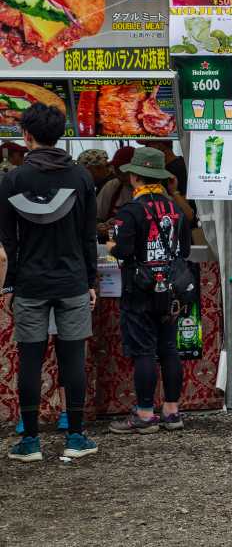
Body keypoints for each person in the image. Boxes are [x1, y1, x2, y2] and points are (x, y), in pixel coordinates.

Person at [0, 103, 99, 462]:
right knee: (72, 357)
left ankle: (30, 443)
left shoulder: (12, 180)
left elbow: (6, 243)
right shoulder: (81, 178)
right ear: (60, 134)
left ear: (26, 136)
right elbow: (90, 236)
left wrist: (9, 285)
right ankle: (75, 436)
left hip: (29, 284)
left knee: (29, 357)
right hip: (72, 281)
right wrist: (91, 280)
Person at [105, 146, 194, 434]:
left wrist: (111, 246)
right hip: (172, 291)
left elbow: (122, 250)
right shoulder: (176, 210)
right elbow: (186, 249)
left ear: (134, 177)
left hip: (141, 289)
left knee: (144, 351)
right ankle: (171, 410)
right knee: (169, 349)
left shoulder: (131, 211)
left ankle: (145, 413)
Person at [97, 146, 136, 233]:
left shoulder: (153, 188)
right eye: (117, 172)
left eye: (124, 172)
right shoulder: (113, 185)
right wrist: (100, 226)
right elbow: (97, 217)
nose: (120, 176)